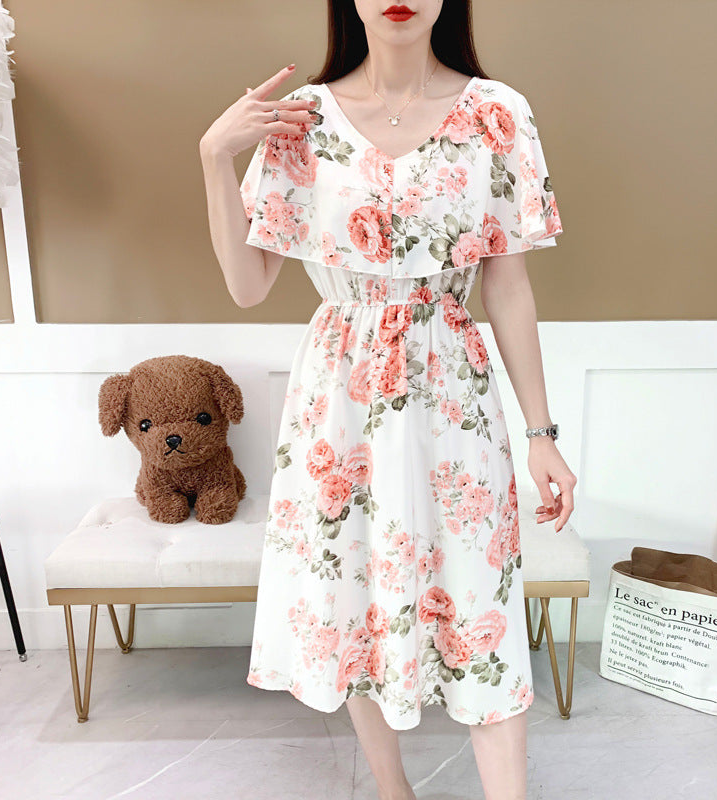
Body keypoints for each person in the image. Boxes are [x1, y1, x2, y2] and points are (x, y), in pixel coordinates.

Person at [199, 2, 577, 798]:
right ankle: (392, 790)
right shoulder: (301, 122)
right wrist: (213, 158)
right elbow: (246, 285)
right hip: (338, 401)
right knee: (356, 594)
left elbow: (509, 287)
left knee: (482, 602)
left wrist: (541, 432)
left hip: (454, 391)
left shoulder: (498, 113)